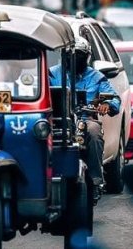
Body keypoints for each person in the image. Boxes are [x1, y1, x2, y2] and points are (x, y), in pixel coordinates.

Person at [48, 37, 121, 200]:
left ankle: (95, 182)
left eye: (80, 55)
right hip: (57, 120)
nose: (75, 58)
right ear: (64, 55)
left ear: (87, 56)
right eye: (71, 55)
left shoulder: (97, 77)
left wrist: (107, 104)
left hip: (85, 119)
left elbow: (114, 98)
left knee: (94, 133)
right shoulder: (51, 73)